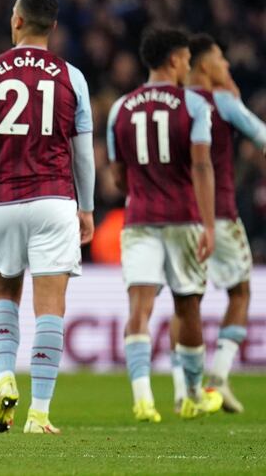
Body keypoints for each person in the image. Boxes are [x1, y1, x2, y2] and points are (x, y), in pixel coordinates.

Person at [0, 0, 95, 435]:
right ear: (52, 27)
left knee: (4, 297)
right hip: (55, 200)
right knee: (50, 305)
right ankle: (39, 412)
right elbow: (84, 154)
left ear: (16, 21)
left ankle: (4, 378)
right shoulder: (72, 76)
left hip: (1, 202)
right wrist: (87, 208)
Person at [106, 27, 223, 422]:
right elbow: (203, 165)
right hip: (184, 218)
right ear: (174, 60)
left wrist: (139, 185)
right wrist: (209, 225)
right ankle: (191, 394)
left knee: (139, 307)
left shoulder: (121, 107)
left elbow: (117, 176)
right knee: (187, 306)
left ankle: (142, 399)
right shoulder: (193, 106)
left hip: (138, 218)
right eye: (188, 60)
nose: (188, 67)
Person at [167, 34, 266, 413]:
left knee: (184, 304)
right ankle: (219, 378)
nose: (227, 66)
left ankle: (181, 391)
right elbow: (261, 136)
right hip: (220, 215)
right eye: (222, 60)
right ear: (205, 66)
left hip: (178, 217)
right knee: (239, 292)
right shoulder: (222, 102)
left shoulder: (172, 103)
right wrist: (237, 102)